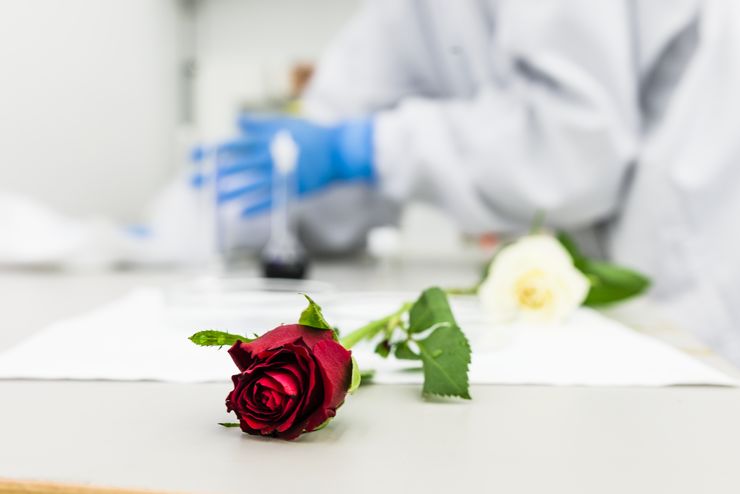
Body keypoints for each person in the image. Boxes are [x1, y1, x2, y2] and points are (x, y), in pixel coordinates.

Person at [209, 0, 740, 365]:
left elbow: (574, 150)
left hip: (696, 217)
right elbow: (349, 95)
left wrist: (371, 146)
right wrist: (194, 222)